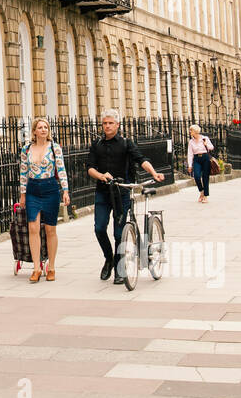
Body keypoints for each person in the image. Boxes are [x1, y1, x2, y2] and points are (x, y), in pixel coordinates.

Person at [86, 109, 166, 284]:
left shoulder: (126, 143)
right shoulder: (96, 145)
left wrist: (154, 173)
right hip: (103, 191)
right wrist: (101, 176)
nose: (107, 126)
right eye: (105, 123)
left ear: (117, 125)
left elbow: (141, 159)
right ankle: (109, 258)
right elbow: (90, 167)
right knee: (99, 228)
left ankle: (120, 269)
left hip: (122, 192)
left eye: (110, 123)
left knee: (118, 233)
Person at [17, 117, 70, 282]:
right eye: (40, 127)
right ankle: (36, 267)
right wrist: (23, 194)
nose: (43, 130)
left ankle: (51, 267)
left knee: (50, 229)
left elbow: (61, 169)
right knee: (33, 227)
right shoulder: (26, 149)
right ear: (34, 131)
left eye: (45, 127)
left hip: (50, 189)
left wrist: (65, 190)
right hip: (33, 190)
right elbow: (23, 173)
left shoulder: (55, 148)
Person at [186, 124, 215, 203]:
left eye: (191, 130)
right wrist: (189, 165)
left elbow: (212, 147)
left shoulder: (204, 138)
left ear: (195, 131)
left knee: (205, 177)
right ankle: (201, 191)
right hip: (197, 159)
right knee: (197, 176)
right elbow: (190, 153)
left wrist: (206, 145)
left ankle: (205, 196)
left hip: (205, 158)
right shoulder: (191, 142)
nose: (190, 132)